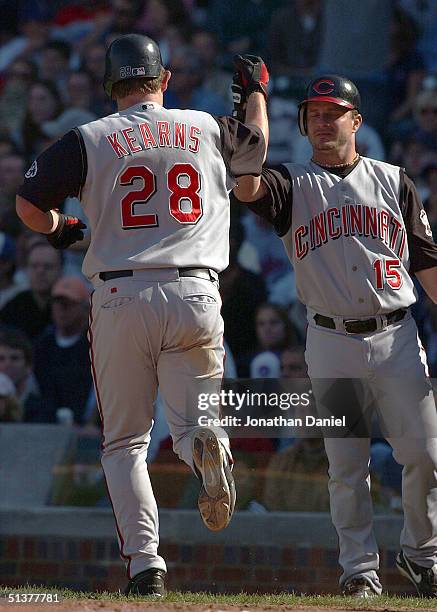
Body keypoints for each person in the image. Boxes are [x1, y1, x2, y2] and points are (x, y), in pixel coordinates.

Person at [15, 35, 268, 596]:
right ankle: (207, 440)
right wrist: (254, 96)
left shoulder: (91, 137)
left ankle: (146, 564)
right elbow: (253, 165)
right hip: (198, 293)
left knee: (126, 441)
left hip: (122, 294)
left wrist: (64, 230)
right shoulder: (204, 125)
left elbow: (28, 205)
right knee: (188, 426)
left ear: (111, 87)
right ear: (165, 78)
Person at [232, 72, 437, 597]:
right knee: (347, 465)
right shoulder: (290, 182)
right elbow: (247, 184)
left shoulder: (394, 181)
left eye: (333, 112)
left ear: (356, 120)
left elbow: (429, 265)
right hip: (330, 339)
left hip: (395, 335)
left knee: (425, 453)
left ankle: (422, 555)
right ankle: (359, 572)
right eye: (314, 114)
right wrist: (256, 100)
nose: (322, 122)